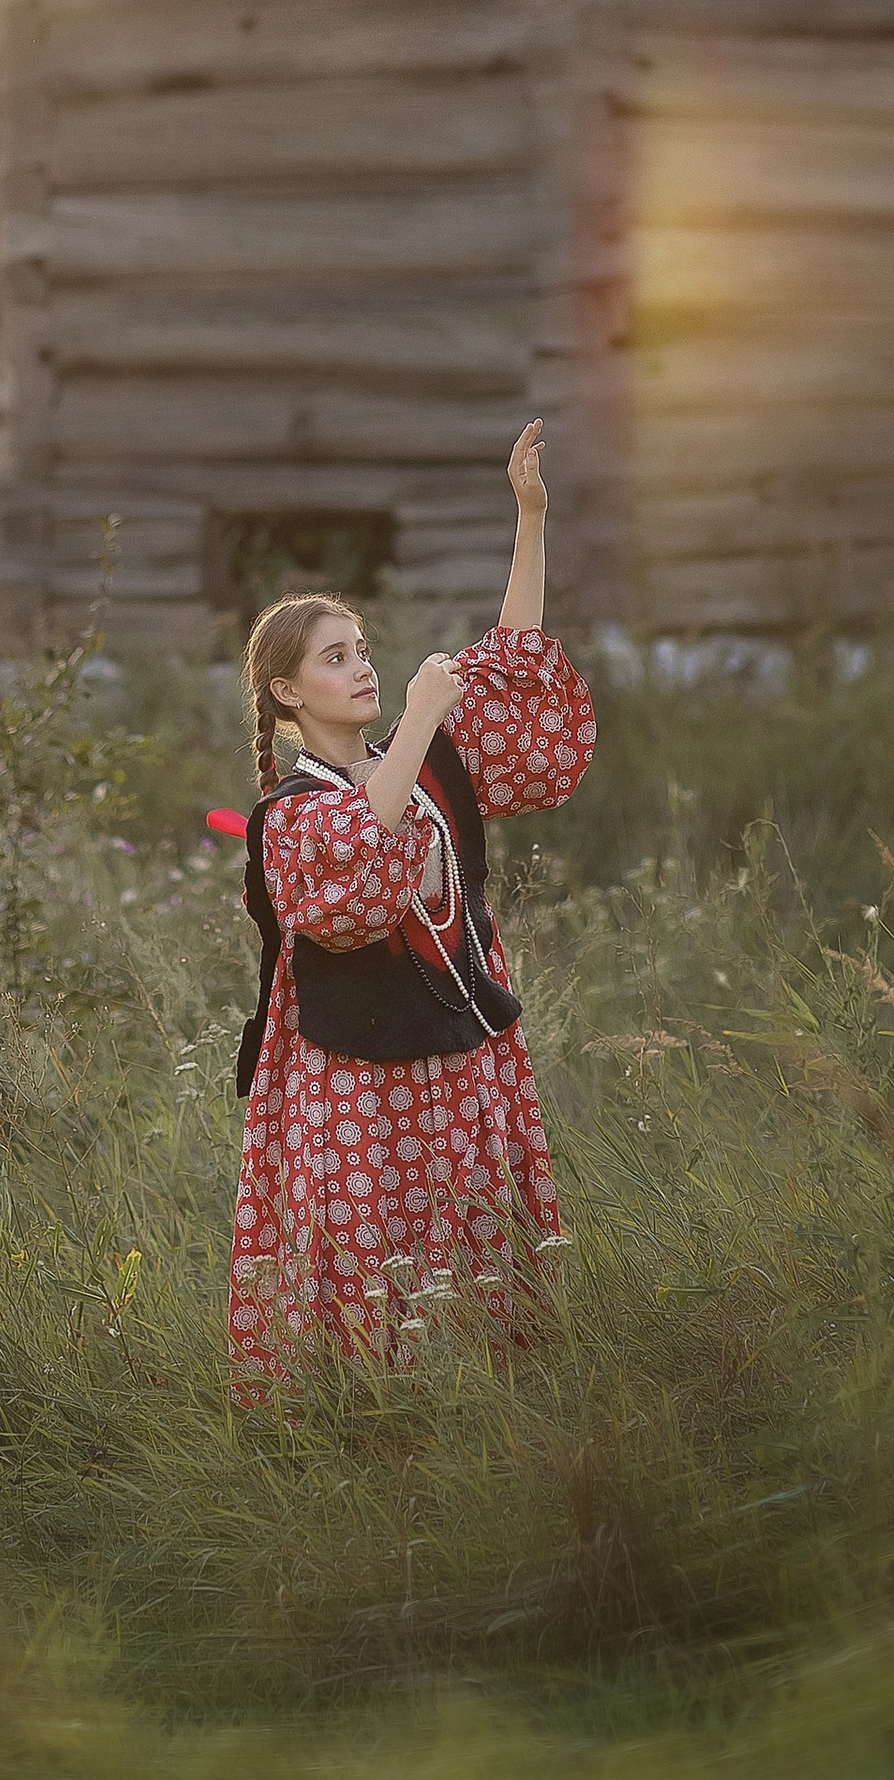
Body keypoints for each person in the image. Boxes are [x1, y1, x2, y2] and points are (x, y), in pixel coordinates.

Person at [226, 421, 596, 1397]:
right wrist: (421, 716)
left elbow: (511, 669)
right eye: (334, 658)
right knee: (371, 1248)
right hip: (352, 1076)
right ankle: (369, 1422)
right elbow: (353, 875)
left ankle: (475, 1408)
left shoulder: (419, 763)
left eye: (362, 649)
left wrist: (530, 519)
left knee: (463, 1236)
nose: (361, 667)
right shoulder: (289, 817)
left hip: (456, 1049)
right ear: (284, 691)